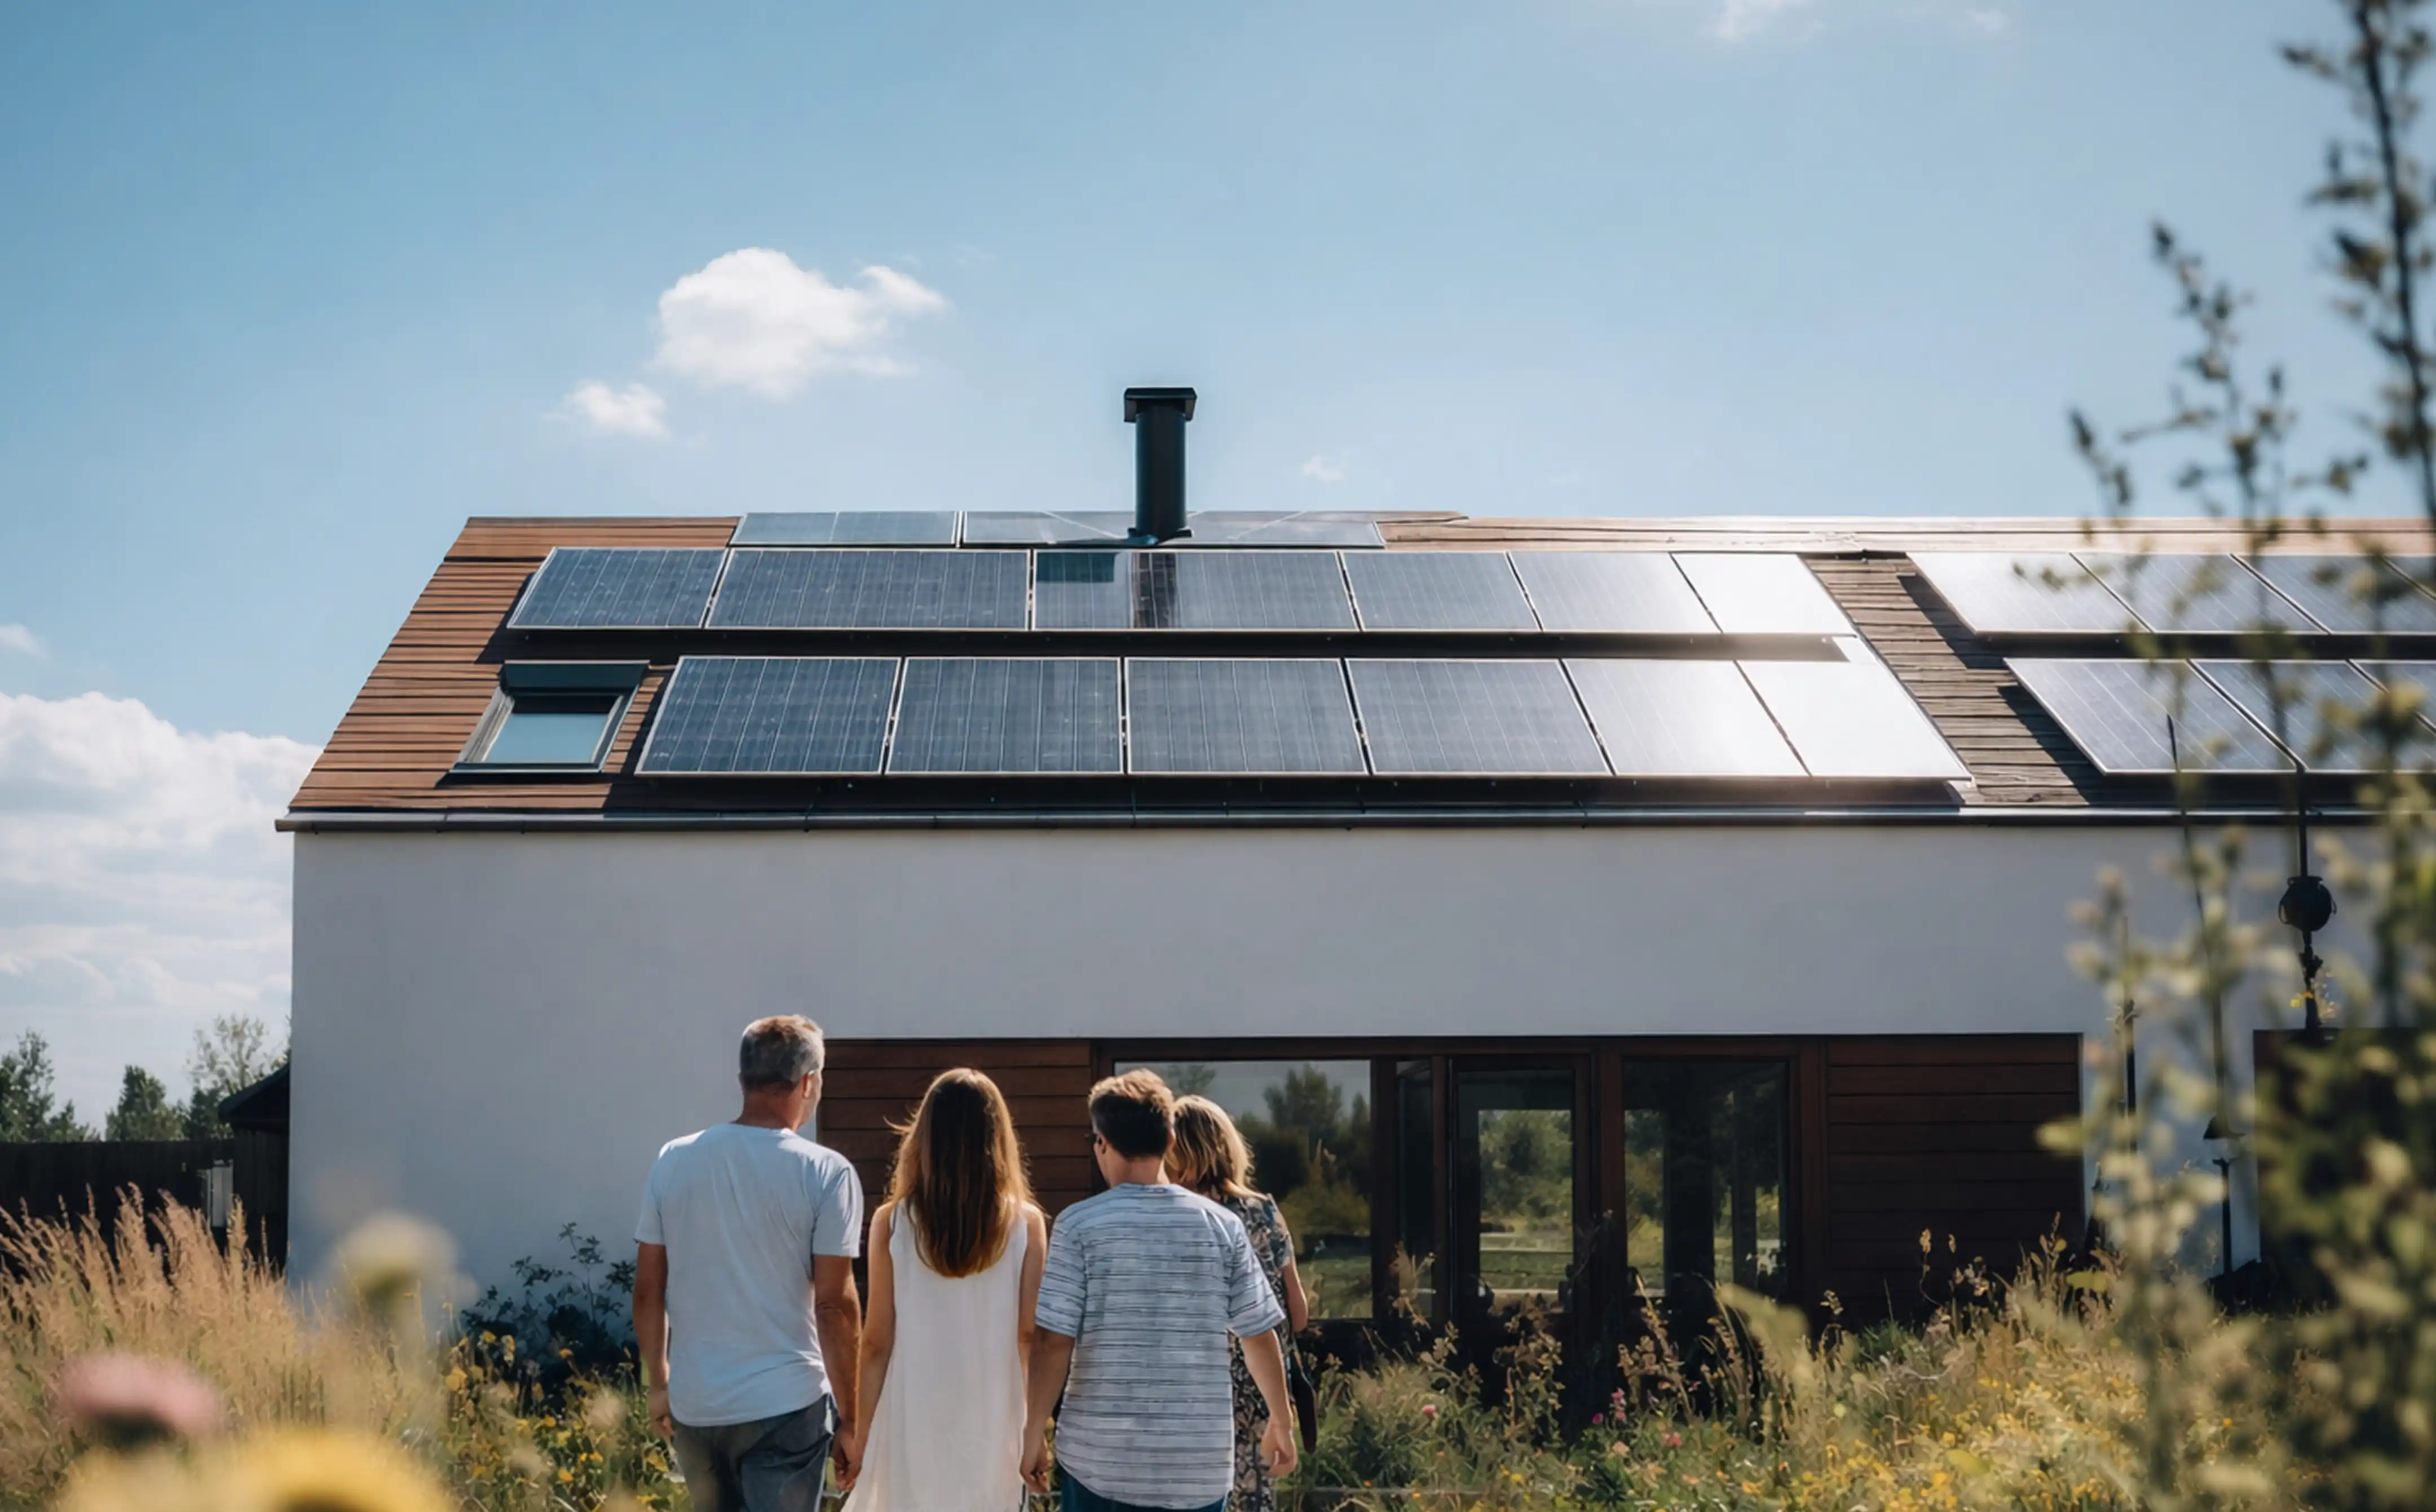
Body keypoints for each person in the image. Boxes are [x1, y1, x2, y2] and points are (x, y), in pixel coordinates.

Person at [1021, 1069, 1298, 1512]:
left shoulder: (1079, 1225)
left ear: (1102, 1143)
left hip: (1101, 1461)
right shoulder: (1221, 1225)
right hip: (1197, 1468)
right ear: (1171, 1139)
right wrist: (1281, 1421)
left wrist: (1033, 1431)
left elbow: (1054, 1341)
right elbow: (1258, 1334)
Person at [633, 1015, 865, 1512]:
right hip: (786, 1406)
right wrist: (852, 1418)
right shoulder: (826, 1173)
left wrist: (659, 1385)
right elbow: (834, 1306)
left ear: (743, 1081)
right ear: (808, 1083)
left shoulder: (674, 1160)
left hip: (698, 1405)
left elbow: (649, 1291)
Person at [840, 1068, 1047, 1512]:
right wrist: (1034, 1434)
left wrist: (858, 1434)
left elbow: (876, 1343)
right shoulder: (1027, 1225)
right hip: (994, 1418)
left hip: (912, 1414)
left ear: (925, 1137)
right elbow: (1029, 1338)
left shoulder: (893, 1222)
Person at [1167, 1095, 1312, 1512]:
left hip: (1197, 1391)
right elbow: (1297, 1315)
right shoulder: (1263, 1210)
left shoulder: (1180, 1216)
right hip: (1262, 1392)